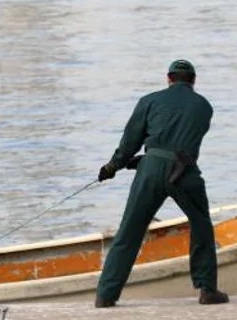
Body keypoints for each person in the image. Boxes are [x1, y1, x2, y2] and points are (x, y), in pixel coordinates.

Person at [94, 60, 229, 307]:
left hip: (151, 170)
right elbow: (185, 140)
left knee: (129, 231)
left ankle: (106, 295)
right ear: (193, 81)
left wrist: (113, 167)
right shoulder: (204, 106)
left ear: (168, 78)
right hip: (185, 171)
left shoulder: (149, 101)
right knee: (201, 226)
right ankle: (207, 289)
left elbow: (130, 142)